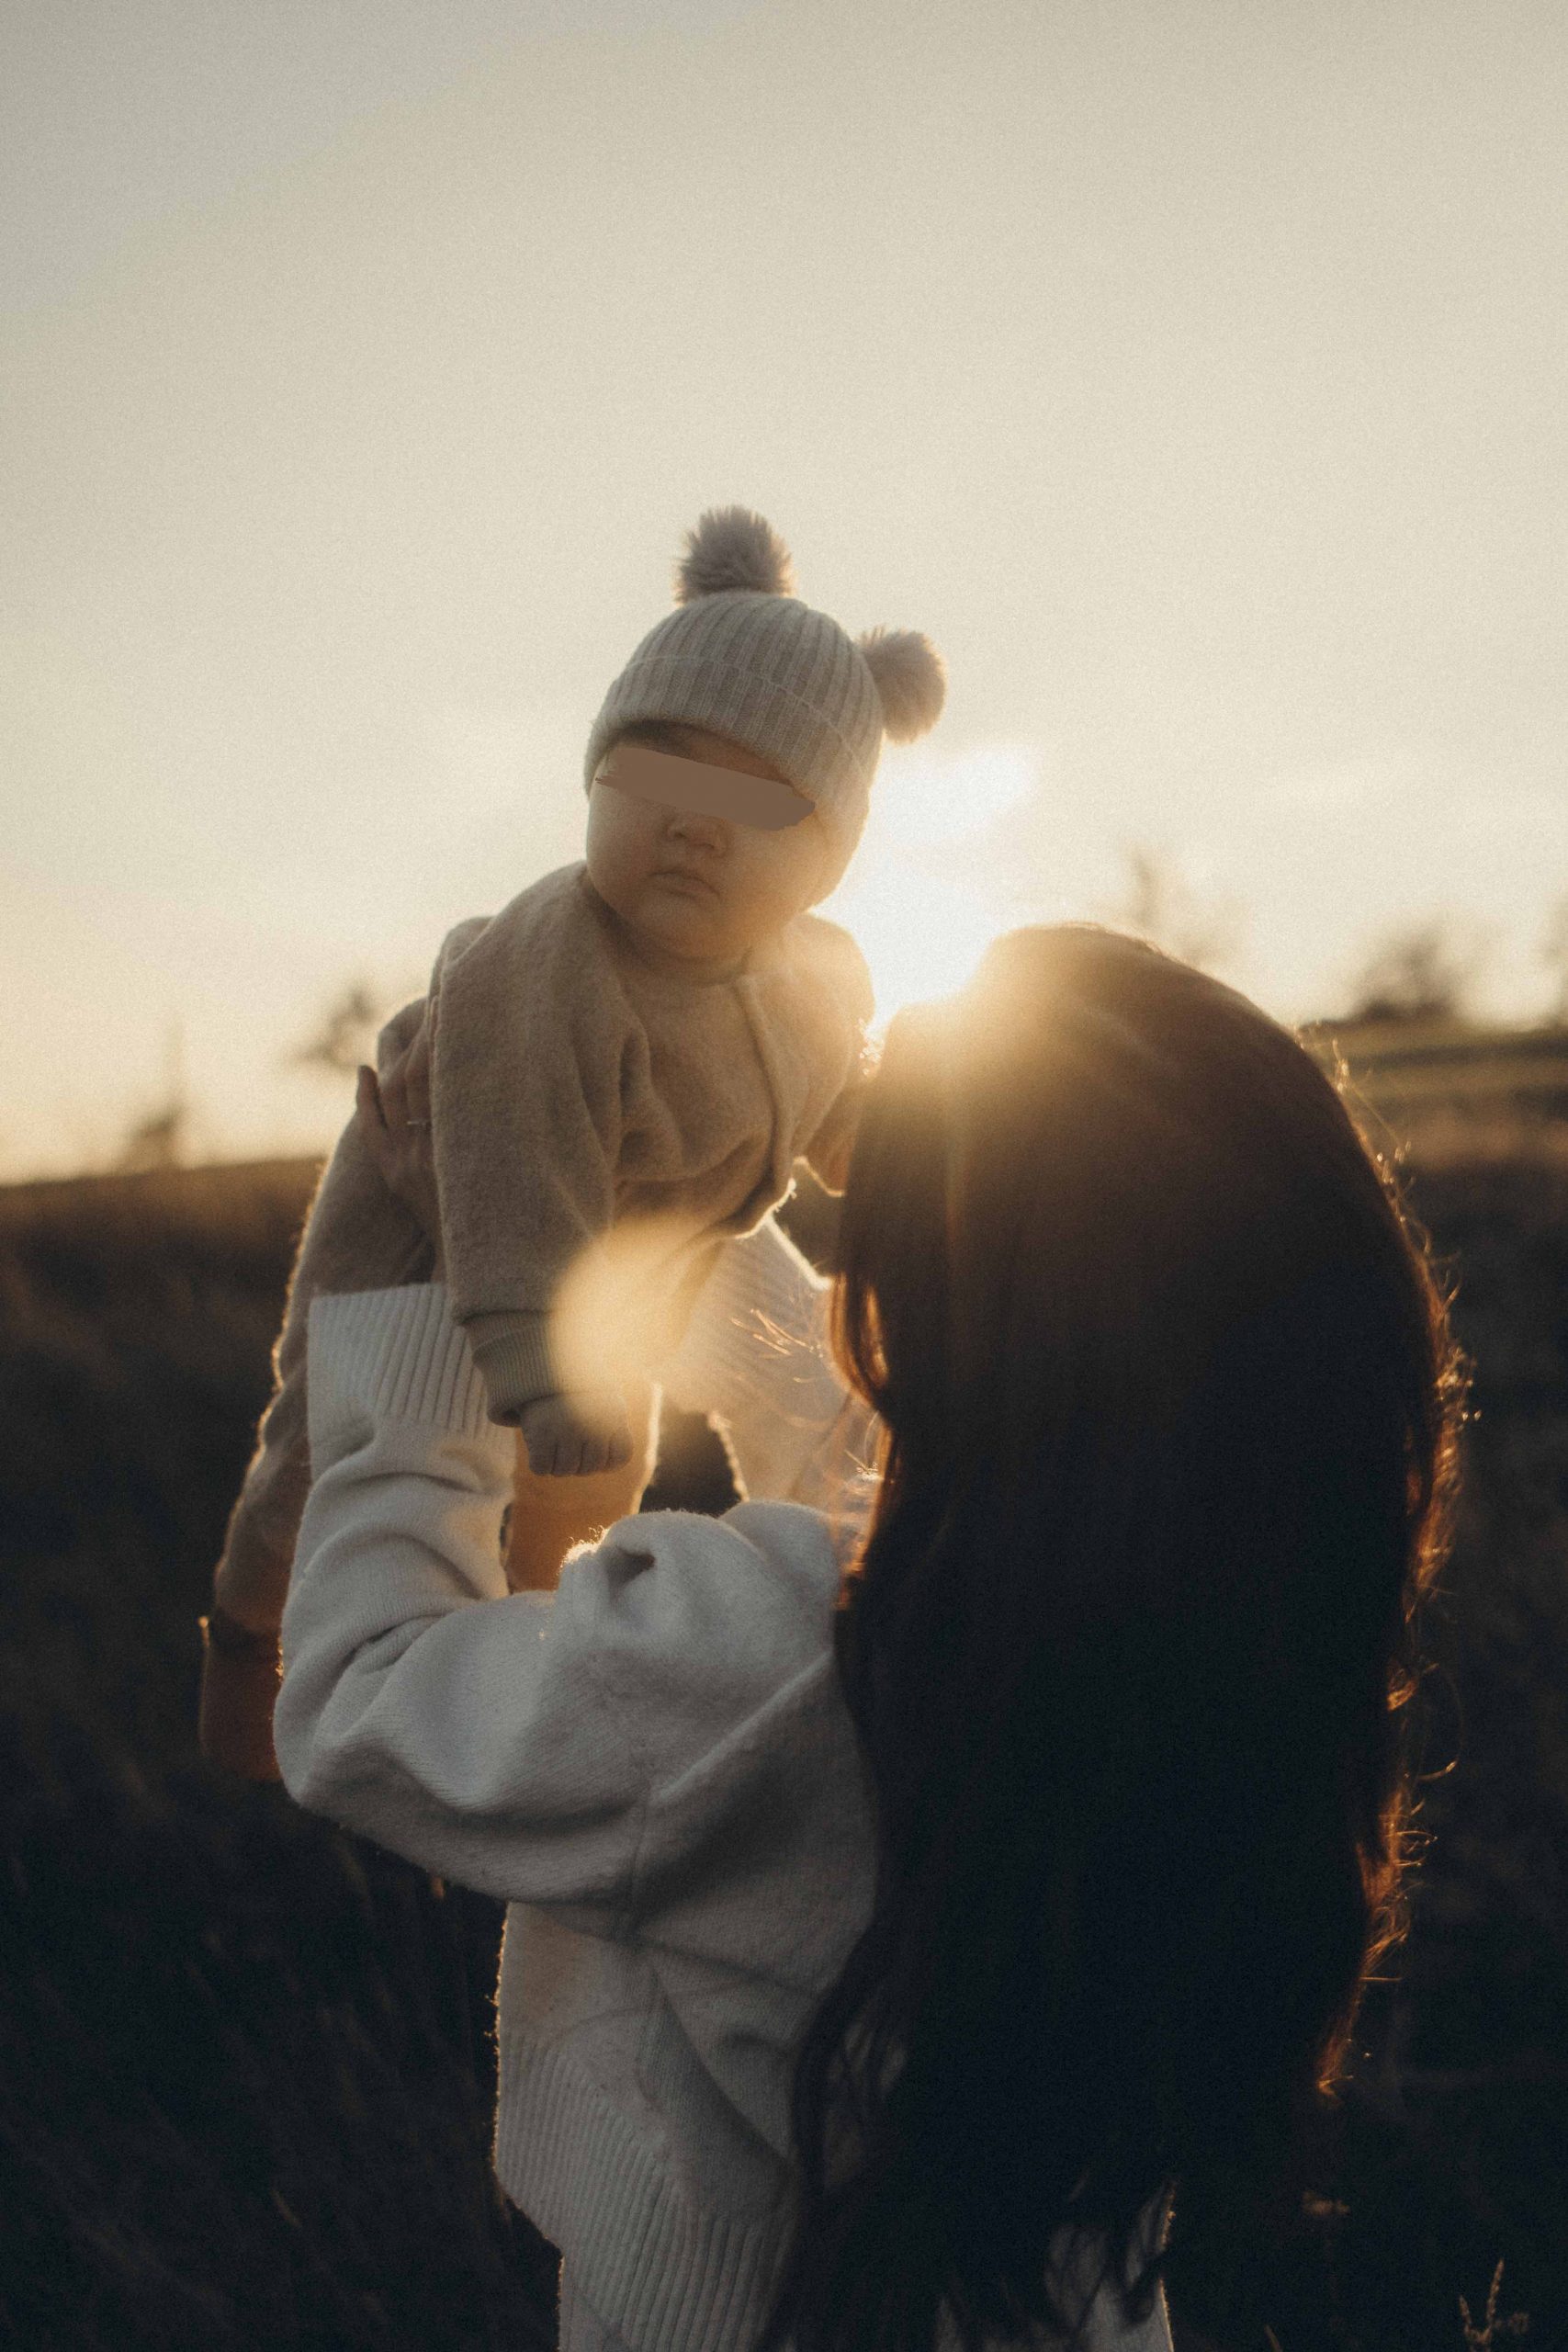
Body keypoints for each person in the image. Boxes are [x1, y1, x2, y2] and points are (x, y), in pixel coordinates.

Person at [273, 923, 1463, 2352]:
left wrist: (424, 1304)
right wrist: (649, 1196)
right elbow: (874, 1476)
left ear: (953, 1310)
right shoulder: (1216, 1627)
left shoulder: (771, 1664)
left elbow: (359, 1691)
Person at [199, 503, 945, 1780]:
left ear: (825, 861)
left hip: (667, 1232)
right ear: (596, 779)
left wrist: (906, 1155)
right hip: (441, 1215)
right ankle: (246, 1639)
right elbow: (512, 1167)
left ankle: (776, 1614)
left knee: (717, 1420)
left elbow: (829, 1104)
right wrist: (543, 1373)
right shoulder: (543, 965)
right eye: (659, 774)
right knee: (326, 1446)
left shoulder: (813, 980)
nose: (697, 821)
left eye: (755, 799)